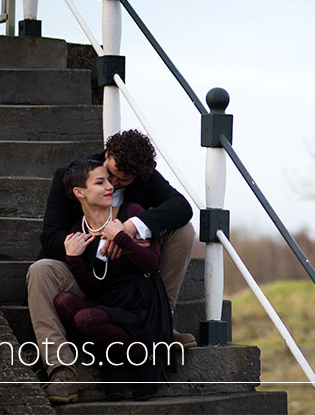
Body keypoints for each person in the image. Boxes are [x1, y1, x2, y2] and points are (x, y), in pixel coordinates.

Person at [26, 129, 195, 404]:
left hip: (129, 282)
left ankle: (162, 322)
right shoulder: (70, 177)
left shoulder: (143, 178)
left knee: (184, 231)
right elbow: (50, 236)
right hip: (82, 267)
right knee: (40, 270)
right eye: (110, 174)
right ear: (107, 155)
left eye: (122, 180)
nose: (113, 184)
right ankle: (60, 370)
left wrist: (133, 228)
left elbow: (181, 207)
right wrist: (88, 245)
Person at [55, 159, 171, 400]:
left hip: (142, 306)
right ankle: (114, 360)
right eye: (100, 182)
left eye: (108, 181)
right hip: (111, 304)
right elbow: (95, 289)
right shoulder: (79, 229)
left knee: (86, 318)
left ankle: (146, 360)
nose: (110, 186)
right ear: (80, 193)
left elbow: (154, 263)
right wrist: (74, 259)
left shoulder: (132, 213)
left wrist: (122, 238)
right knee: (63, 301)